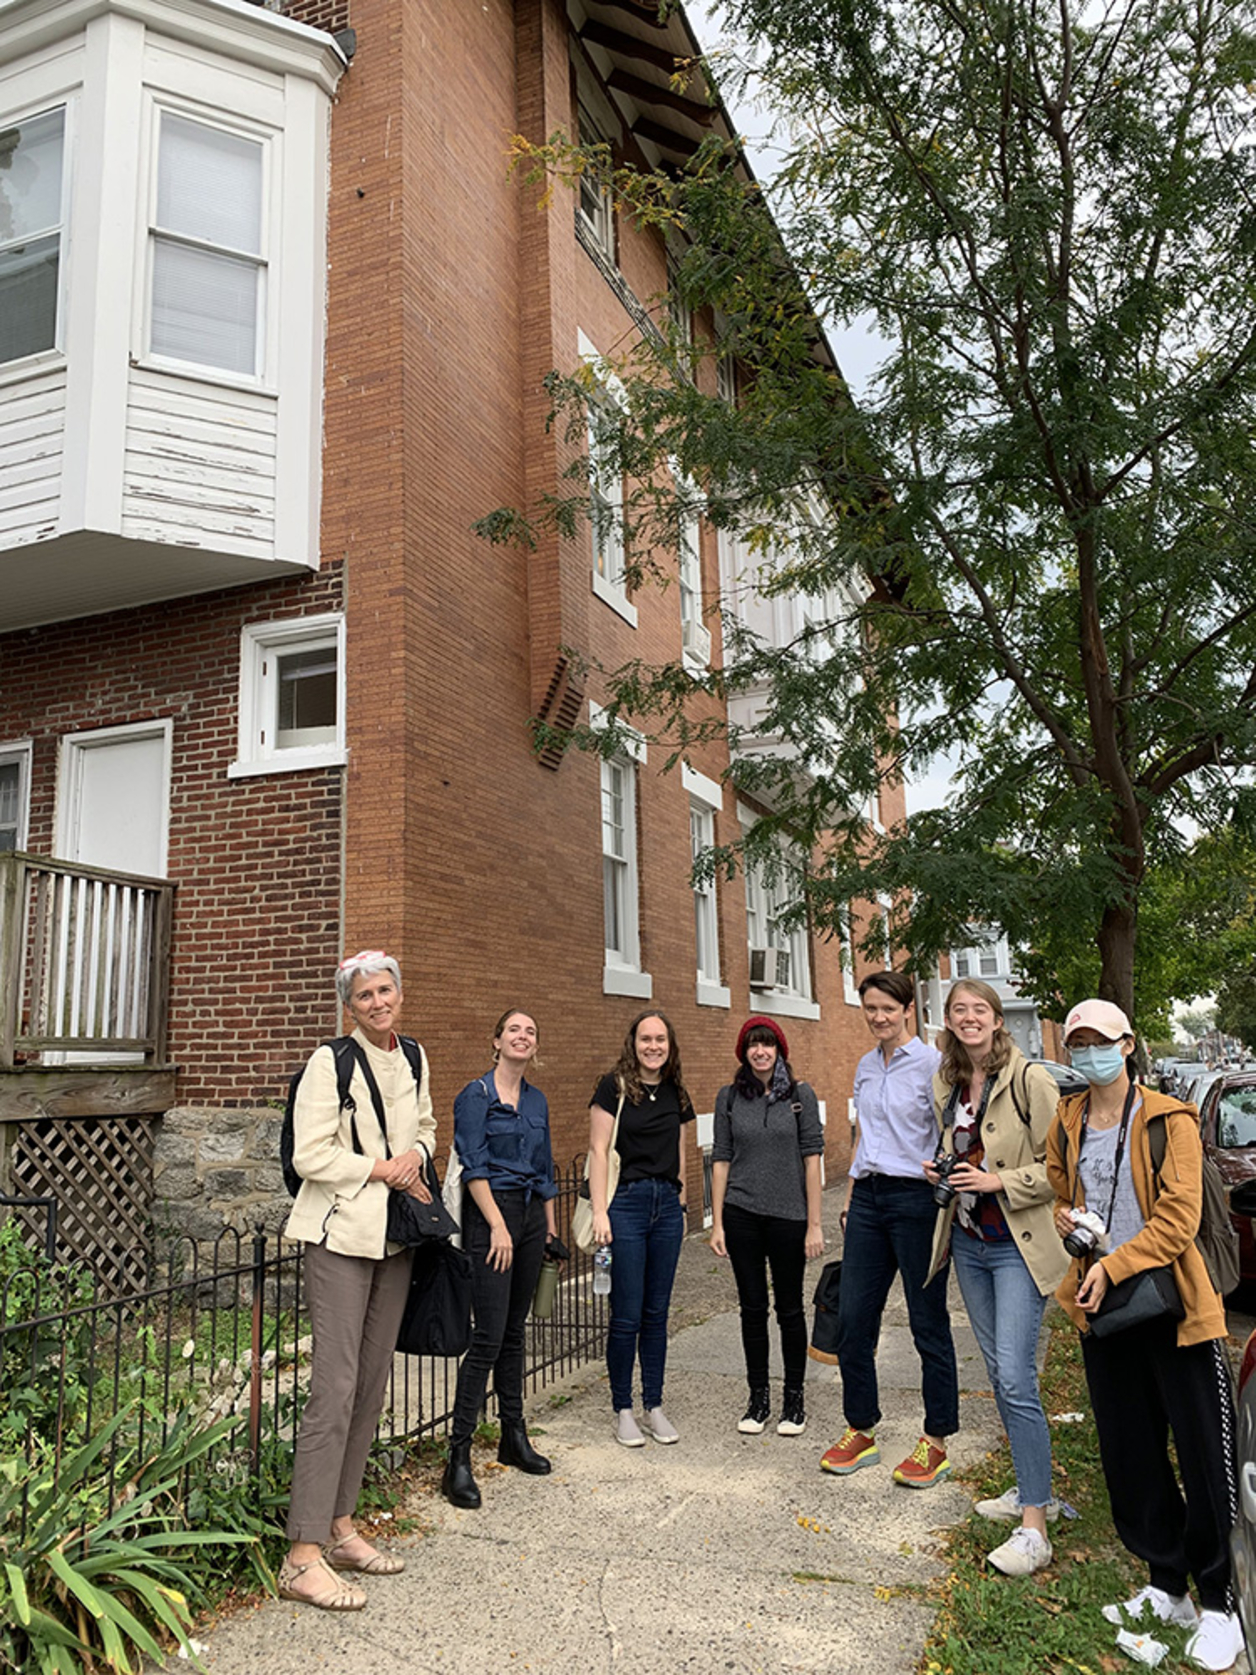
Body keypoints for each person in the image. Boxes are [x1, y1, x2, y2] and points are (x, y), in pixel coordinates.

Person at [1046, 999, 1241, 1672]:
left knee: (1203, 1454)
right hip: (1104, 1309)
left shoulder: (1169, 1117)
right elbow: (1055, 1188)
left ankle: (1220, 1601)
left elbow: (1179, 1217)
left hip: (1173, 1306)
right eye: (1078, 1042)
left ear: (1128, 1045)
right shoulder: (1068, 1118)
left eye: (1101, 1040)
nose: (1088, 1052)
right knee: (1130, 1453)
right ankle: (1167, 1583)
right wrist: (1068, 1220)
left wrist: (1114, 1264)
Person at [279, 950, 435, 1610]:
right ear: (350, 1005)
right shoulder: (329, 1061)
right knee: (334, 1385)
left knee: (370, 1384)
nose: (377, 1001)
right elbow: (308, 1151)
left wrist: (416, 1157)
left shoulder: (416, 1057)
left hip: (394, 1237)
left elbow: (425, 1129)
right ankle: (300, 1554)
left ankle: (341, 1526)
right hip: (341, 1234)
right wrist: (383, 1168)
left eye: (385, 989)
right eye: (364, 994)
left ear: (399, 992)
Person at [923, 979, 1069, 1576]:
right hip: (967, 1242)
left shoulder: (1031, 1078)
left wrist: (997, 1183)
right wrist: (941, 1166)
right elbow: (956, 1145)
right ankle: (1032, 1488)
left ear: (997, 1018)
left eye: (978, 1009)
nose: (968, 1018)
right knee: (1000, 1373)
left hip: (1018, 1246)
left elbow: (1061, 1166)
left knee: (1014, 1377)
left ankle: (1035, 1524)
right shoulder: (950, 1081)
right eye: (959, 1010)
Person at [820, 970, 957, 1486]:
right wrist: (853, 1196)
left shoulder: (932, 1065)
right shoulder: (864, 1065)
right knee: (853, 1320)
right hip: (870, 1200)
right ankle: (861, 1428)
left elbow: (953, 1129)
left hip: (916, 1202)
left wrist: (941, 1166)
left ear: (907, 1010)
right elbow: (865, 1137)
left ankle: (936, 1440)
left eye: (887, 1008)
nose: (878, 1016)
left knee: (928, 1323)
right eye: (870, 1008)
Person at [442, 1009, 560, 1509]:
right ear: (497, 1040)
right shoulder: (476, 1095)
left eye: (531, 1031)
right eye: (514, 1029)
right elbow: (472, 1162)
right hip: (491, 1214)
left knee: (515, 1333)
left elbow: (545, 1165)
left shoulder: (537, 1100)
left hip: (531, 1216)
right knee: (487, 1337)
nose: (523, 1036)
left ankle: (513, 1437)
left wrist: (550, 1226)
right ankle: (458, 1459)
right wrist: (496, 1225)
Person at [710, 1016, 824, 1436]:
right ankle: (758, 1398)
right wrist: (718, 1222)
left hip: (789, 1217)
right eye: (753, 1045)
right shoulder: (729, 1098)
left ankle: (794, 1399)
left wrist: (815, 1224)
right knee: (752, 1309)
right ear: (744, 1052)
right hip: (742, 1214)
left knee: (790, 1309)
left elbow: (813, 1159)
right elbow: (720, 1159)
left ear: (779, 1050)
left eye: (768, 1044)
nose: (760, 1051)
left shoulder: (800, 1096)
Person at [588, 1011, 694, 1447]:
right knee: (626, 1316)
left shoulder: (676, 1091)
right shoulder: (612, 1087)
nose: (653, 1046)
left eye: (661, 1040)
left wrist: (683, 1200)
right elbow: (597, 1149)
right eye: (646, 1039)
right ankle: (624, 1410)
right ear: (633, 1043)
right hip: (626, 1206)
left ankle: (654, 1405)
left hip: (666, 1207)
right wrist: (600, 1212)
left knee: (656, 1314)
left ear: (670, 1045)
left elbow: (682, 1146)